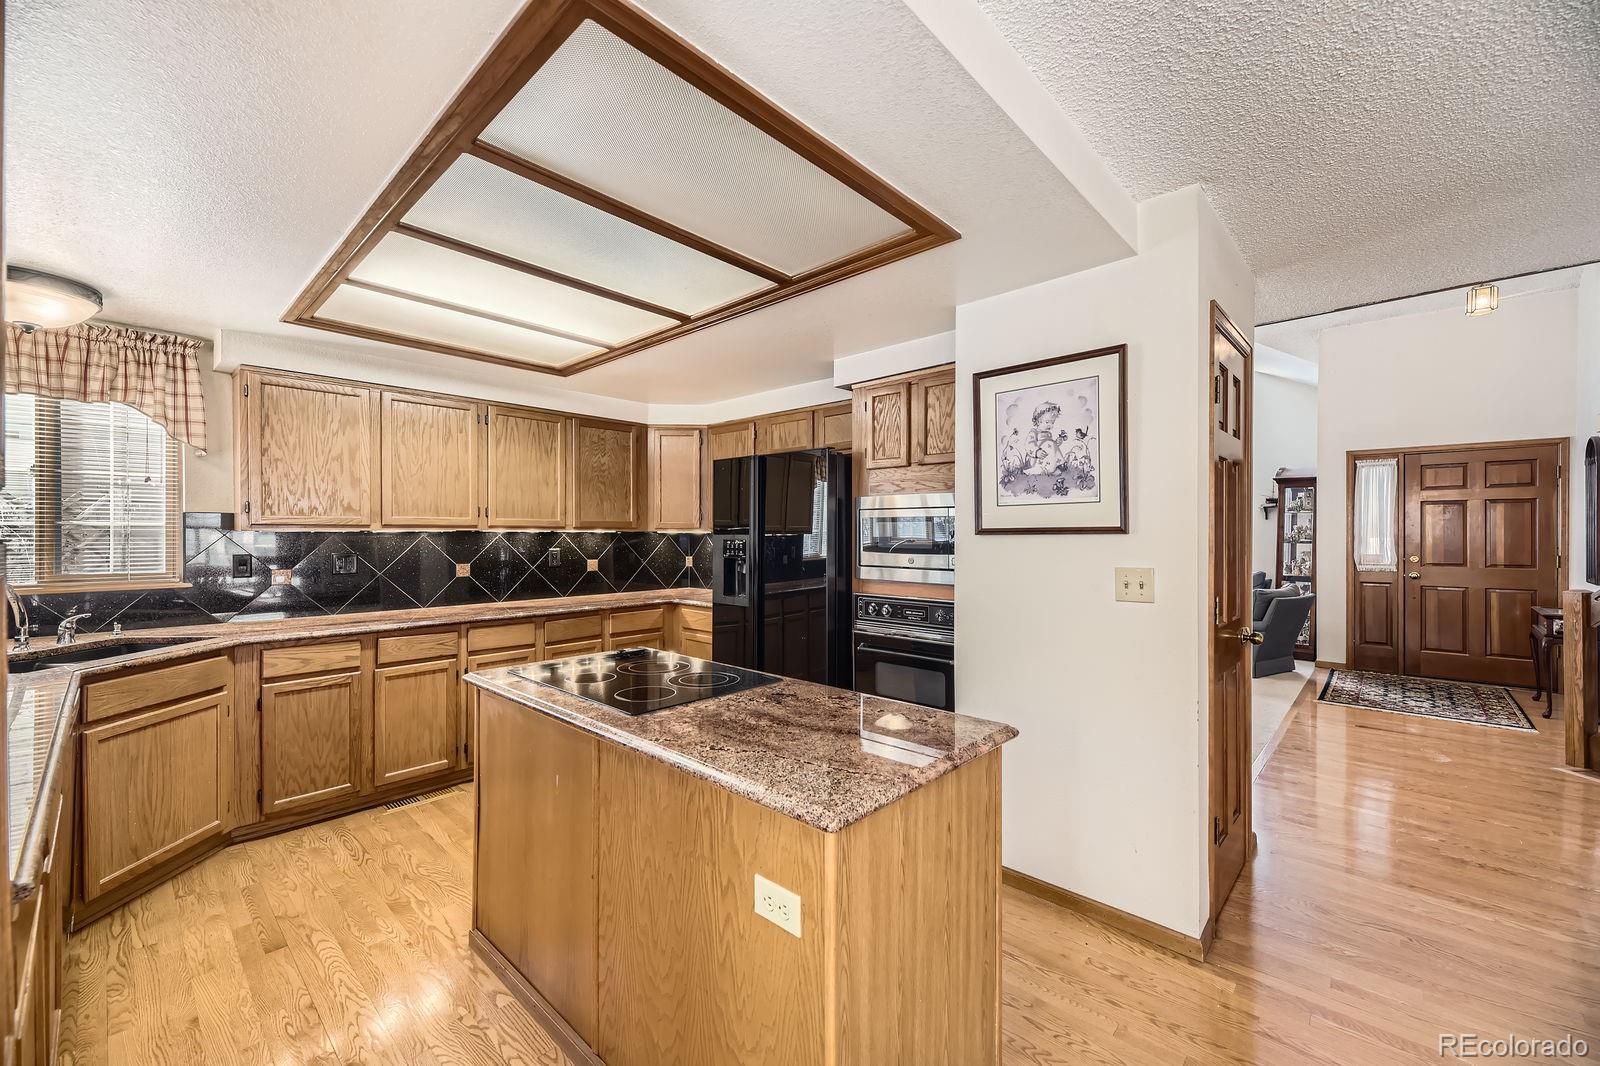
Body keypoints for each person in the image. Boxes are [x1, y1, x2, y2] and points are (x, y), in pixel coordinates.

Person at [1023, 401, 1064, 474]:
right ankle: (1041, 469)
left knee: (1051, 444)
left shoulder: (1048, 434)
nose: (1050, 425)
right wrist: (1036, 452)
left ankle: (1053, 468)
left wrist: (1056, 443)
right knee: (1050, 444)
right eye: (1047, 422)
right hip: (1036, 458)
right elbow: (1029, 444)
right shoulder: (1034, 432)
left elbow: (1049, 448)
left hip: (1046, 458)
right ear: (1038, 421)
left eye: (1052, 422)